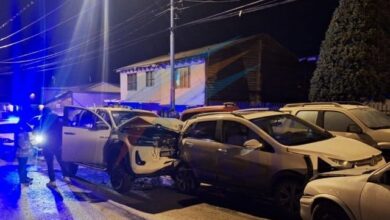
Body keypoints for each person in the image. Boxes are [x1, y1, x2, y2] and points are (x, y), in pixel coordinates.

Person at [40, 107, 70, 188]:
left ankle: (52, 181)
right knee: (61, 161)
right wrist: (61, 143)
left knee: (50, 164)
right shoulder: (57, 119)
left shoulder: (43, 119)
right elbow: (62, 132)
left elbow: (38, 130)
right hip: (57, 144)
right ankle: (66, 177)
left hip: (47, 145)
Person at [15, 119, 33, 186]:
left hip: (23, 153)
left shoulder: (22, 132)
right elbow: (22, 145)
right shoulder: (20, 134)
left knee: (23, 166)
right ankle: (23, 179)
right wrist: (30, 146)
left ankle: (25, 178)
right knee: (22, 166)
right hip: (21, 153)